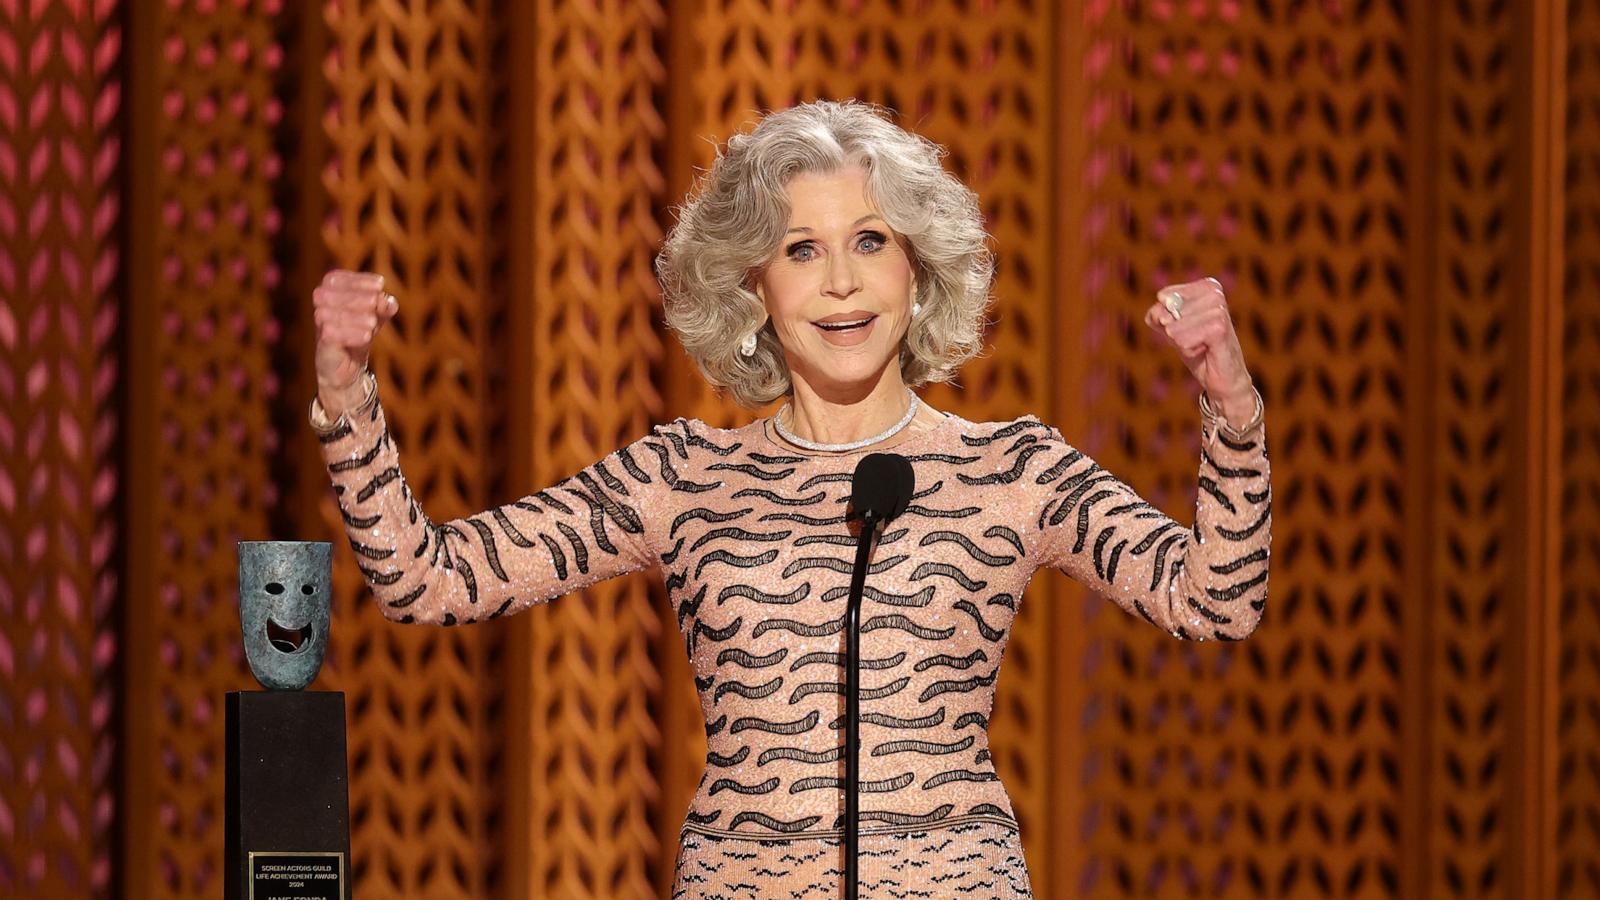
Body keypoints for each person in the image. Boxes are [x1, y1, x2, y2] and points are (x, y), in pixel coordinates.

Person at [309, 99, 1270, 898]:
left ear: (917, 267)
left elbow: (1217, 600)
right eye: (802, 250)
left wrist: (1232, 410)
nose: (843, 282)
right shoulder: (686, 478)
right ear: (753, 282)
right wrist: (347, 394)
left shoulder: (1012, 470)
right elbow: (427, 582)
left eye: (869, 241)